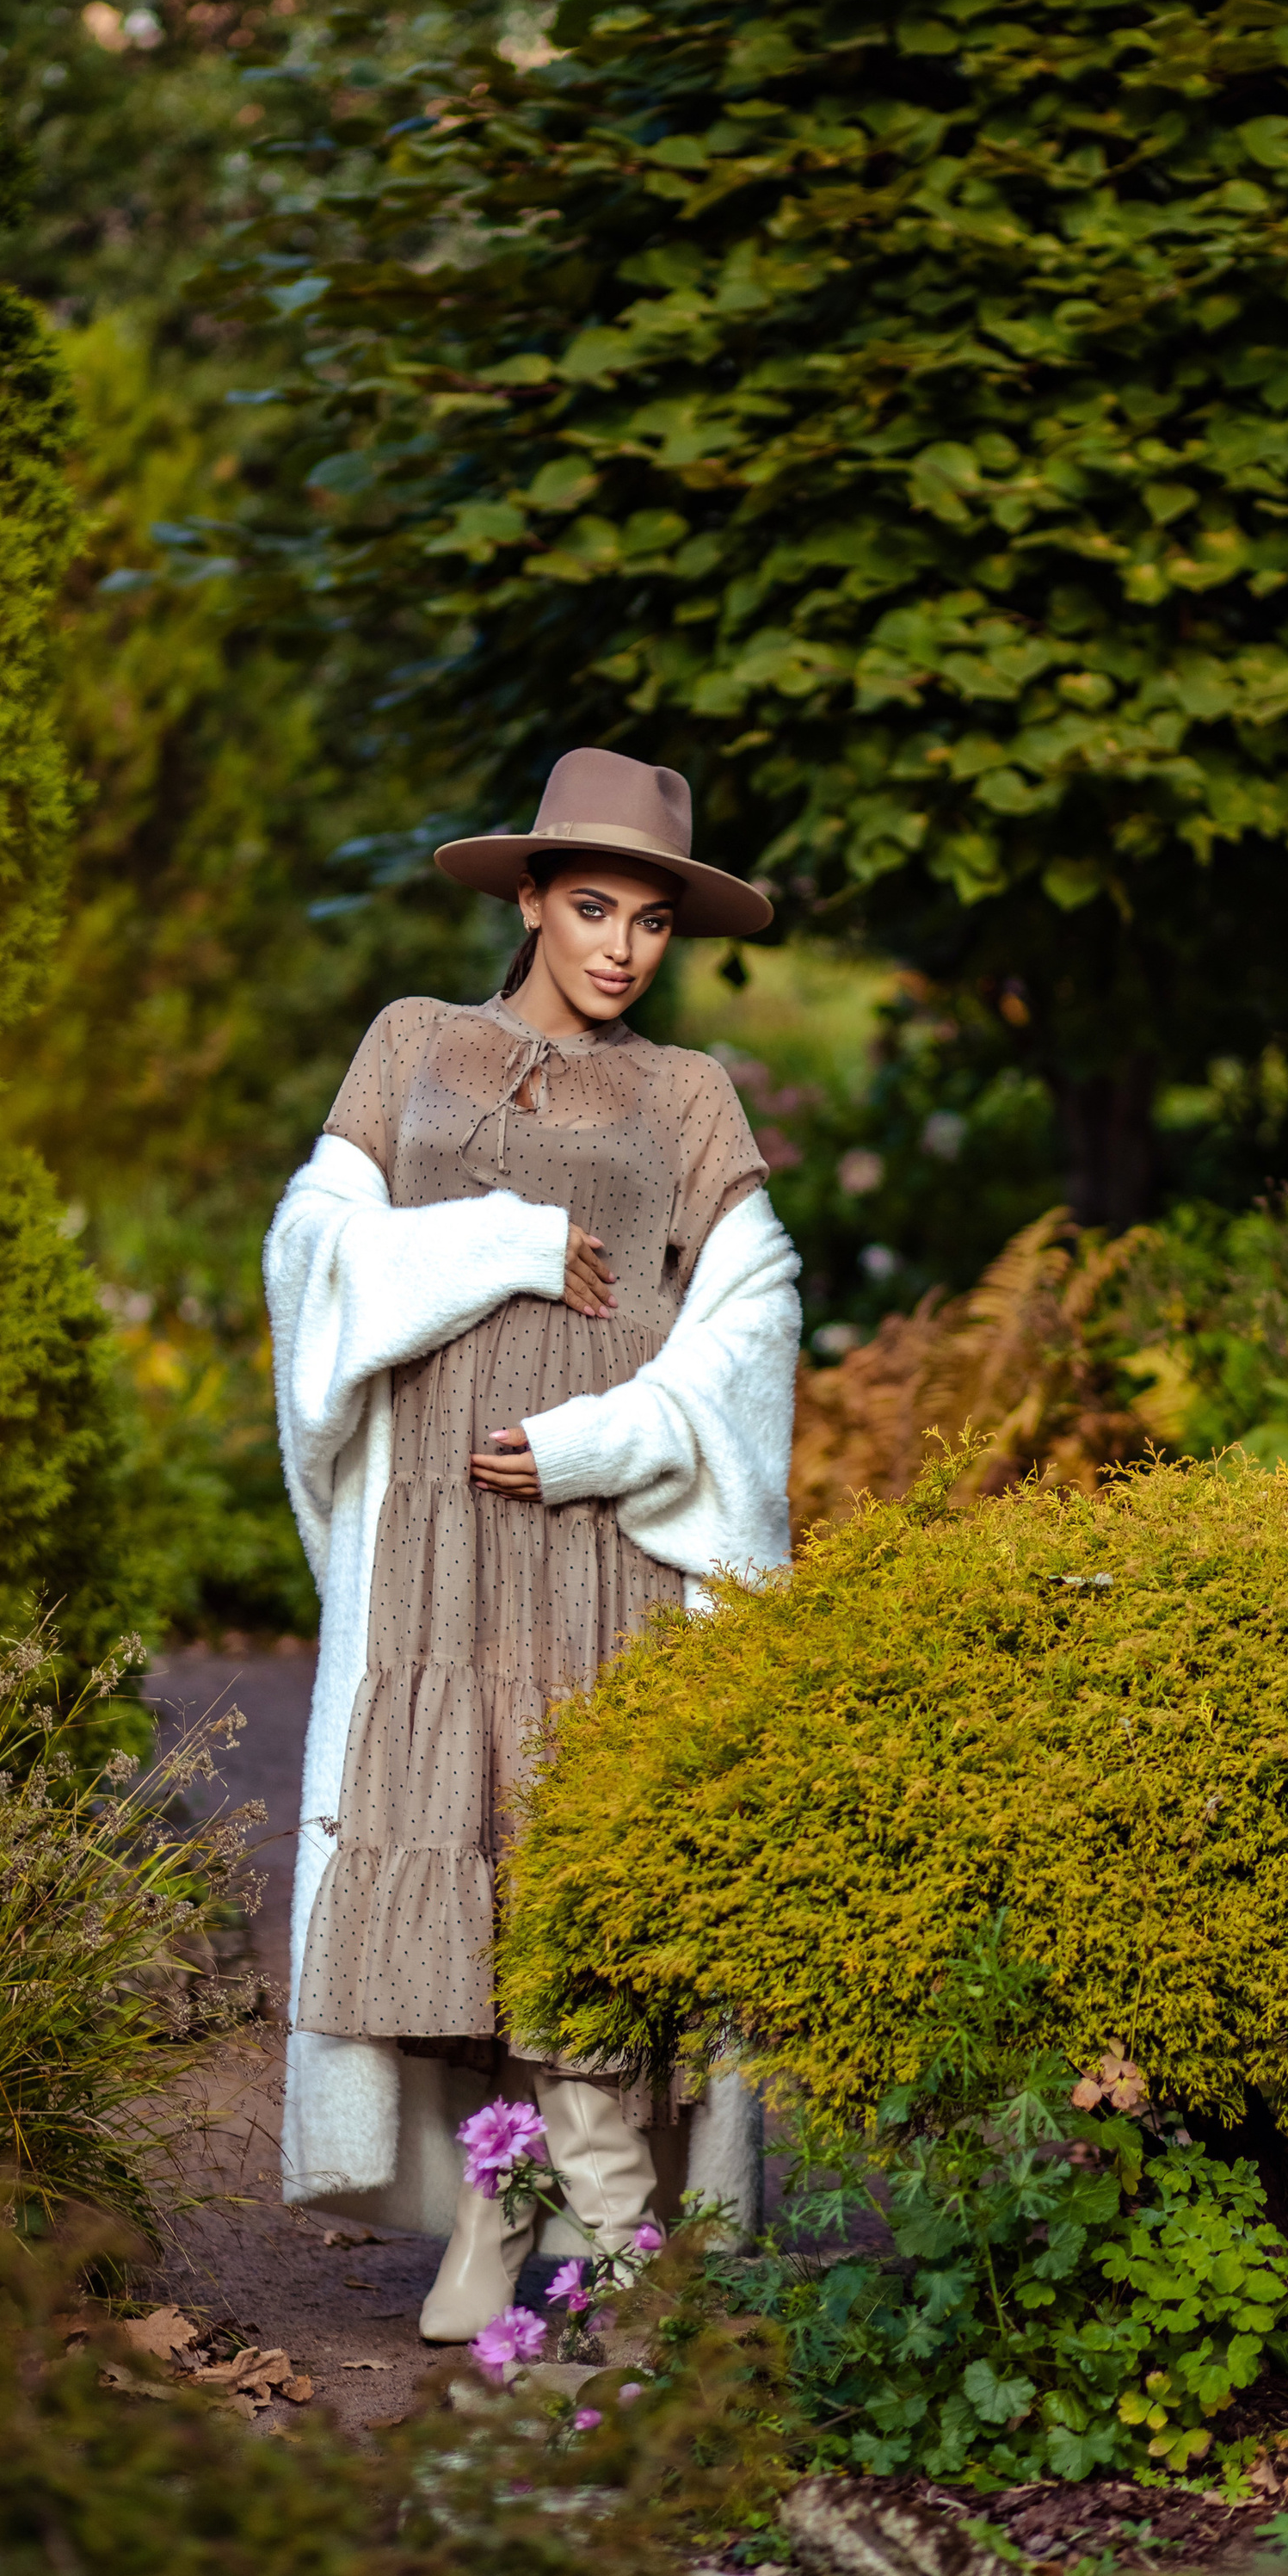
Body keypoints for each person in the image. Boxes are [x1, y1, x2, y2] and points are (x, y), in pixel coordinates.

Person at [264, 749, 803, 2342]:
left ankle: (607, 2235)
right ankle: (499, 2235)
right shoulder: (413, 1049)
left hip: (600, 1549)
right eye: (591, 908)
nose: (623, 947)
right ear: (526, 899)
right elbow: (312, 1243)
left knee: (575, 1866)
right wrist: (500, 1241)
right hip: (437, 1550)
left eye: (649, 919)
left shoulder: (688, 1092)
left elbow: (758, 1312)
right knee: (476, 1865)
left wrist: (604, 1443)